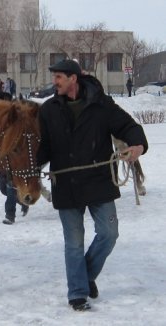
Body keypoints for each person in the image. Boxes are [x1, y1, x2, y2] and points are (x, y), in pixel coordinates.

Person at [37, 59, 148, 311]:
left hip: (99, 181)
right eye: (54, 77)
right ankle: (77, 293)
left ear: (73, 79)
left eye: (59, 78)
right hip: (66, 183)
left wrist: (137, 145)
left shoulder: (101, 104)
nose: (55, 82)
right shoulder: (48, 109)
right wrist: (27, 165)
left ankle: (85, 277)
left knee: (109, 234)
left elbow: (128, 126)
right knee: (74, 243)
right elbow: (43, 148)